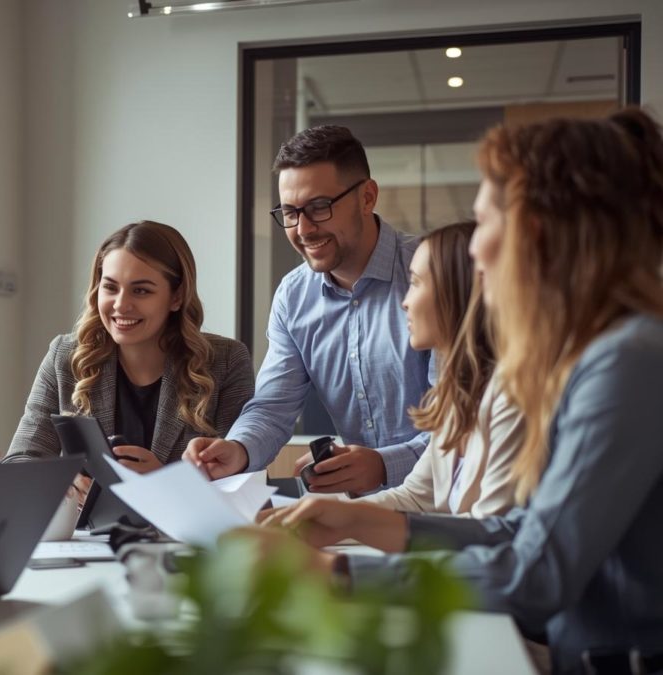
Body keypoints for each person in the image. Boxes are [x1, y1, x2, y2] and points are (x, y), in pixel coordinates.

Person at [257, 108, 663, 673]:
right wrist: (355, 521)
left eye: (485, 222)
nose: (472, 252)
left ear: (537, 232)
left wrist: (340, 574)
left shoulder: (627, 360)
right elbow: (520, 534)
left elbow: (538, 574)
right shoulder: (594, 354)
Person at [184, 125, 432, 495]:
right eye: (290, 212)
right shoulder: (294, 296)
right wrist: (238, 449)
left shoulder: (433, 274)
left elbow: (467, 424)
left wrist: (384, 465)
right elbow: (272, 407)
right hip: (364, 511)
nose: (303, 229)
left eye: (319, 208)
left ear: (367, 197)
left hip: (454, 506)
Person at [6, 221, 254, 486]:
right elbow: (20, 461)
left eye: (141, 291)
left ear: (177, 297)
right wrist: (62, 482)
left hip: (184, 516)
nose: (121, 305)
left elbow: (241, 484)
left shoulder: (226, 361)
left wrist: (165, 484)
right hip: (86, 516)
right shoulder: (65, 356)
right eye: (110, 287)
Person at [341, 220, 524, 517]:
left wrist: (338, 522)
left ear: (457, 292)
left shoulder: (513, 395)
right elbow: (415, 497)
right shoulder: (456, 394)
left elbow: (490, 530)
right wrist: (320, 515)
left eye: (415, 283)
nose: (405, 302)